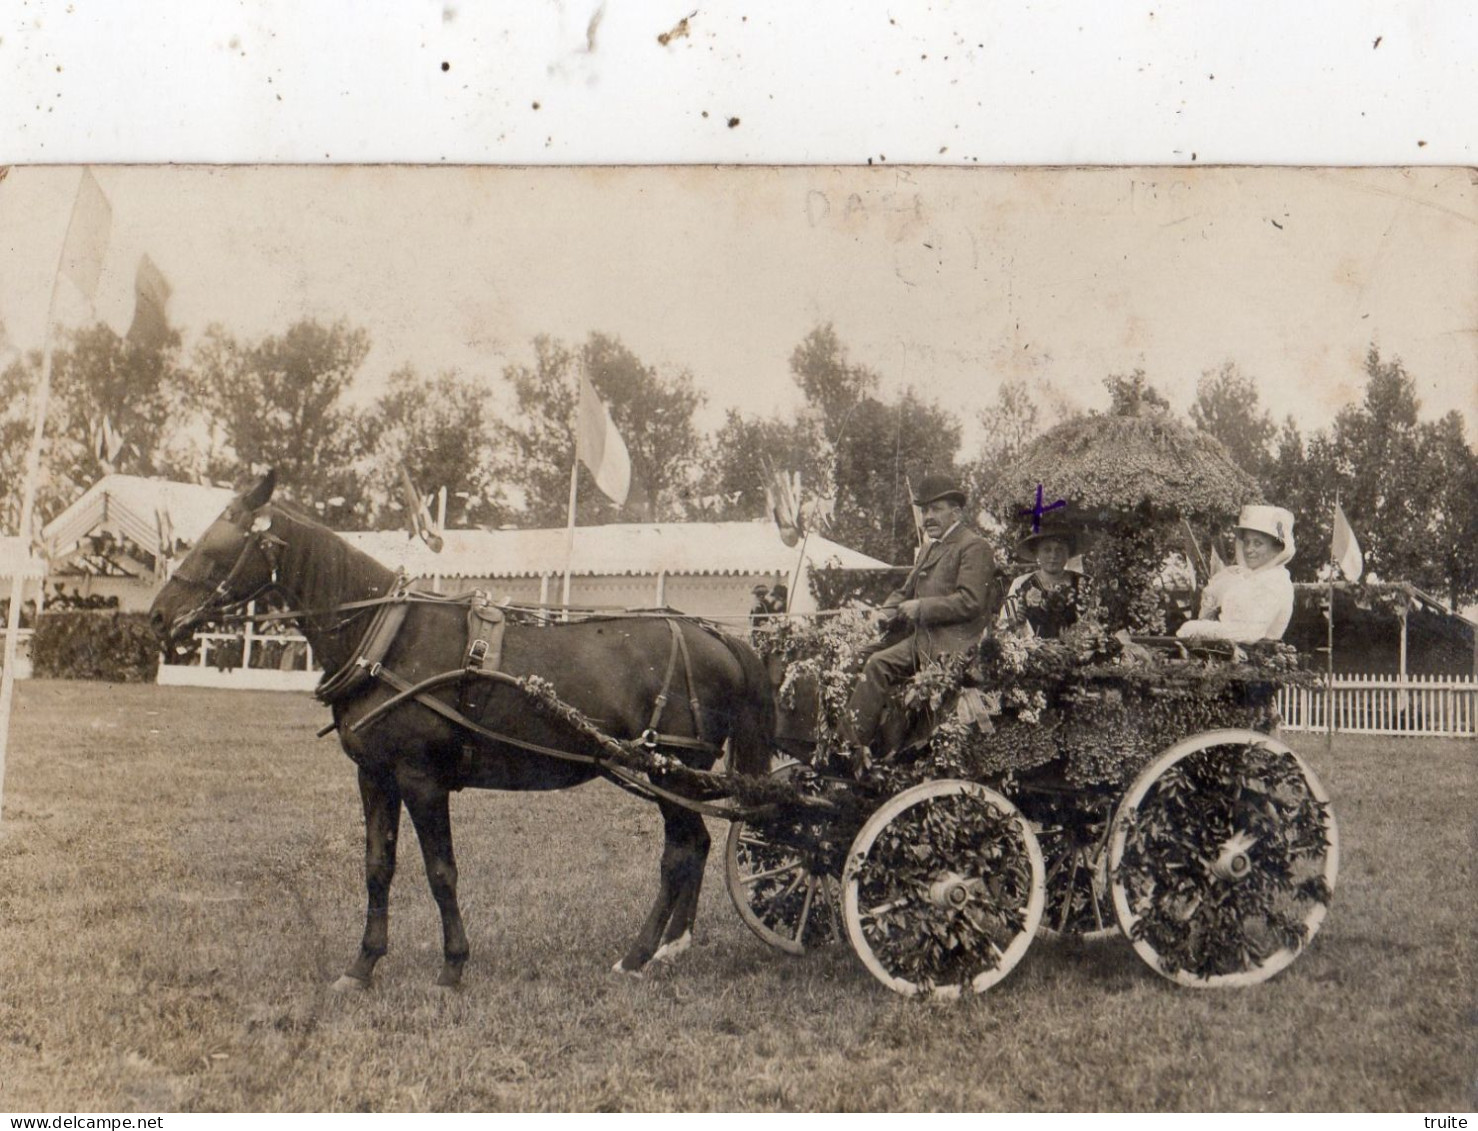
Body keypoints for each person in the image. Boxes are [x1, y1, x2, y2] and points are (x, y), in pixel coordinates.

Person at [839, 474, 995, 765]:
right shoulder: (929, 548)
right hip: (921, 640)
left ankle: (850, 749)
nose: (928, 517)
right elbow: (904, 590)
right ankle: (873, 743)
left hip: (953, 645)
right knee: (855, 657)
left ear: (956, 512)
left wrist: (922, 608)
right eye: (925, 511)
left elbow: (971, 601)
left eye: (936, 509)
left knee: (878, 665)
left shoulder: (974, 547)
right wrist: (883, 613)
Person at [1176, 504, 1296, 643]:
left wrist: (1194, 628)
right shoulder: (1244, 577)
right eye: (1246, 542)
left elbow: (1248, 633)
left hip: (1254, 660)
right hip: (1230, 658)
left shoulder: (1274, 582)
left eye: (1258, 543)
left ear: (1277, 549)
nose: (1249, 549)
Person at [997, 514, 1092, 640]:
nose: (1053, 556)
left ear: (1068, 552)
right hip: (1036, 655)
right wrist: (1015, 623)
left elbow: (1096, 626)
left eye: (1060, 550)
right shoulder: (1022, 584)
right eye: (1047, 550)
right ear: (1037, 553)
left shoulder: (1084, 583)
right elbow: (1006, 628)